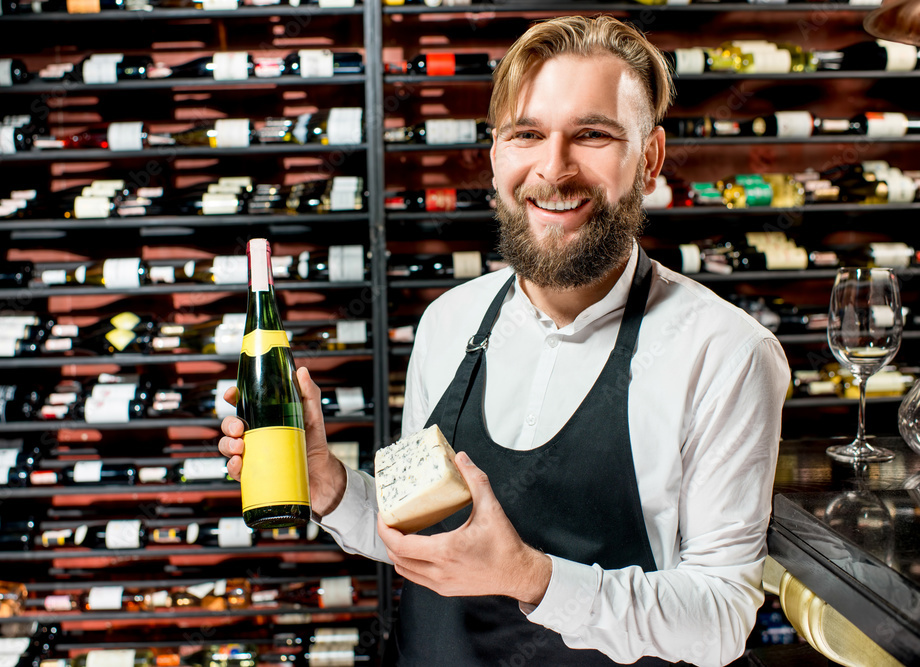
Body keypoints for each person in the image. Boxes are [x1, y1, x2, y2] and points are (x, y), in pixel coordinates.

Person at [219, 14, 790, 667]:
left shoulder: (723, 351)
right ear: (496, 157)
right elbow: (425, 527)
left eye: (593, 134)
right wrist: (328, 486)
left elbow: (719, 618)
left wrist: (533, 577)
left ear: (651, 158)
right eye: (527, 134)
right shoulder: (448, 323)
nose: (554, 167)